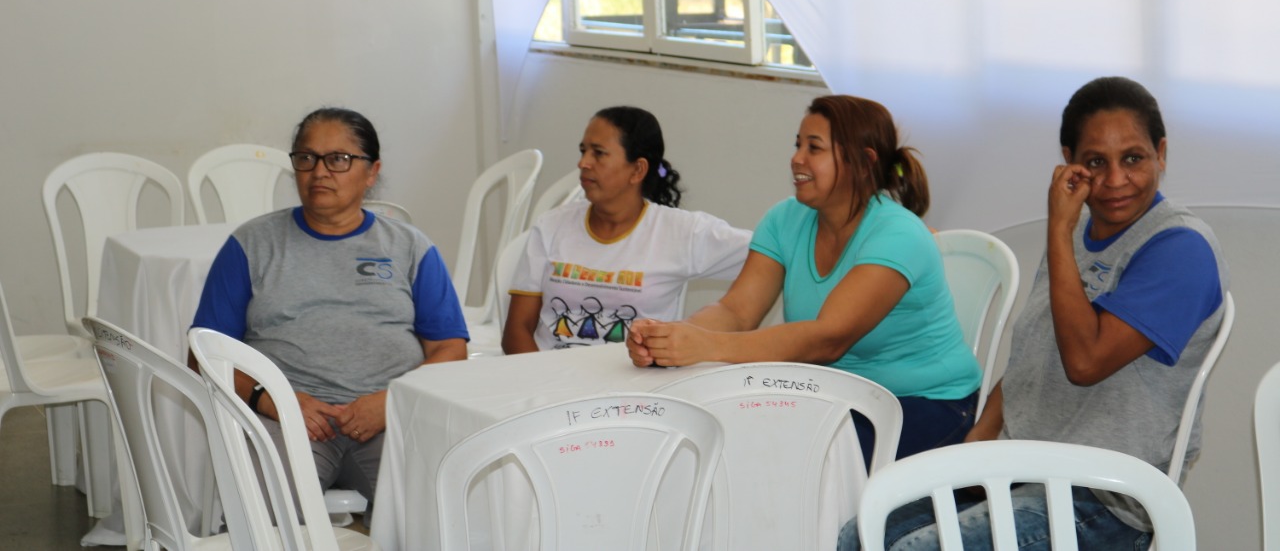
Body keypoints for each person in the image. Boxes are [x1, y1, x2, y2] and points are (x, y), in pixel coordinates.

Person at [837, 76, 1229, 551]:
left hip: (1106, 498)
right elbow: (1034, 352)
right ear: (1070, 161)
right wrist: (978, 442)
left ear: (1160, 154)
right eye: (1095, 162)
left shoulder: (1181, 248)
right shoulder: (1076, 233)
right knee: (859, 535)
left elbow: (1084, 361)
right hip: (1024, 471)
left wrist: (1059, 229)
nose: (1115, 180)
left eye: (1133, 159)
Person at [628, 95, 981, 462]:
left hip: (927, 403)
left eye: (815, 148)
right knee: (721, 435)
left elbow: (827, 339)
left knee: (781, 460)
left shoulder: (898, 235)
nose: (797, 158)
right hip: (836, 396)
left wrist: (707, 345)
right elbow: (737, 311)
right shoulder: (785, 219)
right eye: (798, 144)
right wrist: (673, 338)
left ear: (864, 163)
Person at [191, 107, 469, 506]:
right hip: (286, 420)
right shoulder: (252, 244)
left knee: (437, 508)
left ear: (371, 172)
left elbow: (449, 348)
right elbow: (203, 354)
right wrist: (275, 400)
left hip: (390, 420)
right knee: (266, 512)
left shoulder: (410, 247)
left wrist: (392, 401)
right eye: (306, 158)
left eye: (338, 159)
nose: (319, 172)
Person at [502, 106, 751, 353]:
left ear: (638, 170)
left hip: (635, 375)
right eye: (583, 151)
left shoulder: (681, 232)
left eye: (599, 153)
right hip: (549, 375)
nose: (583, 163)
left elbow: (766, 253)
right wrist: (545, 379)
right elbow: (516, 331)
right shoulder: (551, 226)